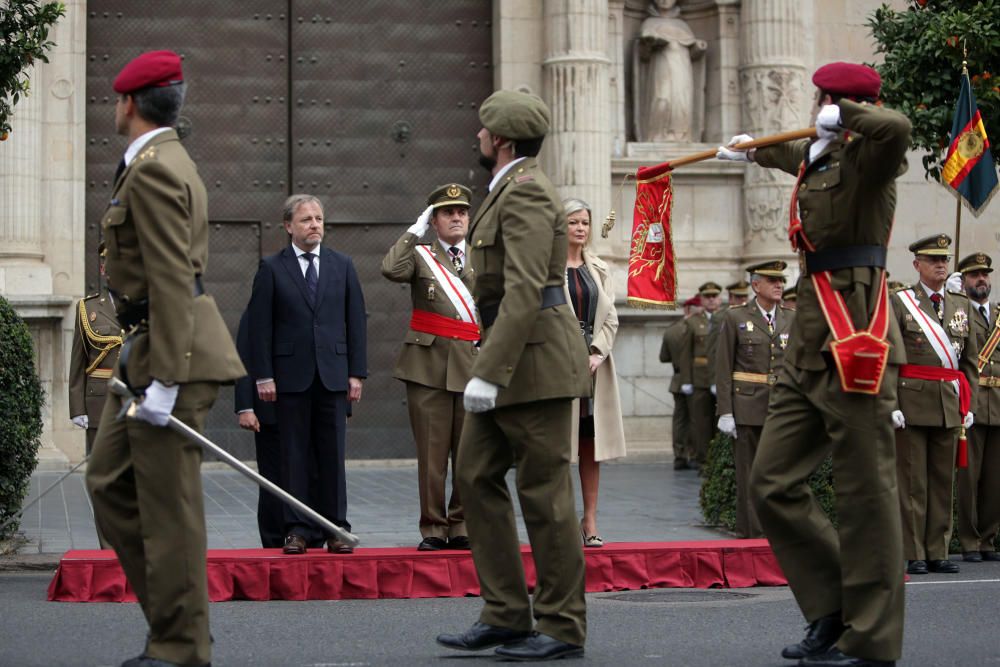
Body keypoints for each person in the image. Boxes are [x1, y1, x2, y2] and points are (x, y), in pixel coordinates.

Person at [718, 61, 911, 666]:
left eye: (821, 102)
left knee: (865, 494)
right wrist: (751, 152)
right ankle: (832, 608)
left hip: (855, 334)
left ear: (835, 103)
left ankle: (872, 638)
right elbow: (793, 155)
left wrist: (845, 115)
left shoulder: (870, 157)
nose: (813, 112)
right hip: (809, 341)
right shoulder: (821, 154)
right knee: (771, 483)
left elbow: (896, 128)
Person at [85, 50, 245, 667]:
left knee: (169, 505)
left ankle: (181, 644)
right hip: (148, 346)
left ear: (127, 103)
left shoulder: (154, 167)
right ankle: (178, 623)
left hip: (170, 350)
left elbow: (174, 276)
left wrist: (168, 380)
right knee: (107, 483)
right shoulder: (156, 160)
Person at [436, 90, 591, 662]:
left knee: (545, 497)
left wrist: (489, 372)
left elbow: (526, 288)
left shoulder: (526, 193)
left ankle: (562, 626)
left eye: (482, 130)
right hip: (508, 357)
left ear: (500, 140)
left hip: (536, 365)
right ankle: (505, 613)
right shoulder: (504, 189)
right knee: (475, 477)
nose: (477, 137)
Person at [247, 194, 368, 555]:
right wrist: (264, 376)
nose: (314, 224)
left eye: (318, 218)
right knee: (294, 455)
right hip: (289, 379)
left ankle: (337, 528)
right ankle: (297, 528)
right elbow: (260, 329)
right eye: (306, 220)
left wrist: (356, 373)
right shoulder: (271, 268)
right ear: (288, 227)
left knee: (332, 455)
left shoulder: (342, 265)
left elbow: (355, 322)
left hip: (332, 376)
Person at [382, 183, 477, 551]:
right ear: (434, 220)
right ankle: (434, 528)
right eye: (447, 212)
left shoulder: (481, 257)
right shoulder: (421, 255)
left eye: (462, 212)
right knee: (432, 456)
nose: (456, 217)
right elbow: (390, 269)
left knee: (468, 453)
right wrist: (413, 231)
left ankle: (462, 524)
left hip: (471, 365)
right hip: (428, 367)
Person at [891, 235, 979, 576]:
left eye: (944, 259)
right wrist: (891, 403)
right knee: (914, 483)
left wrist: (968, 400)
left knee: (943, 482)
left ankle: (938, 549)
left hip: (948, 403)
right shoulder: (901, 302)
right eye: (932, 259)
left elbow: (968, 360)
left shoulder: (961, 304)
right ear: (917, 265)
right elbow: (890, 359)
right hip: (911, 402)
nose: (941, 264)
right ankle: (915, 551)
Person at [563, 197, 627, 547]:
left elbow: (611, 317)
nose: (581, 229)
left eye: (585, 223)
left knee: (589, 444)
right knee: (561, 446)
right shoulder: (546, 268)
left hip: (594, 369)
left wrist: (597, 352)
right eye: (574, 222)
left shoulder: (598, 268)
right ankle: (561, 519)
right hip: (559, 367)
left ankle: (589, 521)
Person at [714, 261, 794, 538]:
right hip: (747, 405)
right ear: (756, 285)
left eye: (781, 280)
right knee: (749, 472)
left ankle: (777, 530)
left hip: (781, 406)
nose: (779, 285)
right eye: (772, 280)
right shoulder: (735, 318)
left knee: (780, 472)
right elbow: (723, 366)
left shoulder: (789, 318)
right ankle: (752, 532)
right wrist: (725, 411)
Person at [69, 242, 122, 549]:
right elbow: (78, 362)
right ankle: (110, 549)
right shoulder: (88, 308)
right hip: (100, 404)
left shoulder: (148, 305)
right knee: (104, 481)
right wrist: (77, 406)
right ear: (103, 269)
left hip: (138, 405)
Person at [957, 252, 1000, 562]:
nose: (981, 279)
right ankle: (970, 541)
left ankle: (988, 539)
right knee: (969, 479)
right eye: (974, 275)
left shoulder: (999, 315)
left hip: (999, 406)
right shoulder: (957, 314)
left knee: (995, 479)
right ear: (965, 281)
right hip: (971, 404)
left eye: (984, 274)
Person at [234, 308, 283, 549]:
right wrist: (245, 406)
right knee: (273, 481)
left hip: (307, 409)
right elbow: (244, 356)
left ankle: (308, 535)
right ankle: (273, 542)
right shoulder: (258, 306)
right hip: (269, 410)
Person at [680, 281, 722, 464]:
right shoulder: (693, 322)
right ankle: (704, 459)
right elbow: (685, 353)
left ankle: (721, 460)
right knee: (701, 423)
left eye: (714, 296)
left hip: (721, 377)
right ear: (702, 300)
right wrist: (686, 380)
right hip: (700, 378)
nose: (711, 300)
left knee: (721, 421)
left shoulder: (729, 318)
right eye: (707, 297)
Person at [660, 295, 701, 469]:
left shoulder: (672, 330)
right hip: (697, 379)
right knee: (697, 419)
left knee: (679, 420)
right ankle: (694, 453)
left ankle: (679, 454)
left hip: (678, 379)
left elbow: (664, 357)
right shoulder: (700, 328)